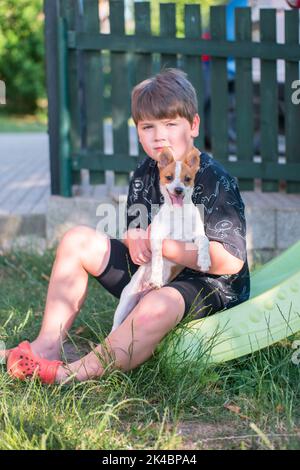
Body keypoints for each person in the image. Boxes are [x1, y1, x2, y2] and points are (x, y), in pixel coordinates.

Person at [4, 68, 250, 384]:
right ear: (137, 131)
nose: (159, 135)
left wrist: (165, 247)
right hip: (156, 272)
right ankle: (47, 345)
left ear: (193, 125)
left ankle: (72, 373)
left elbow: (229, 261)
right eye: (148, 126)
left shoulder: (215, 179)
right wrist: (133, 236)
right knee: (76, 239)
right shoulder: (145, 172)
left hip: (209, 285)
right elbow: (136, 228)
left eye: (171, 124)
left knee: (155, 304)